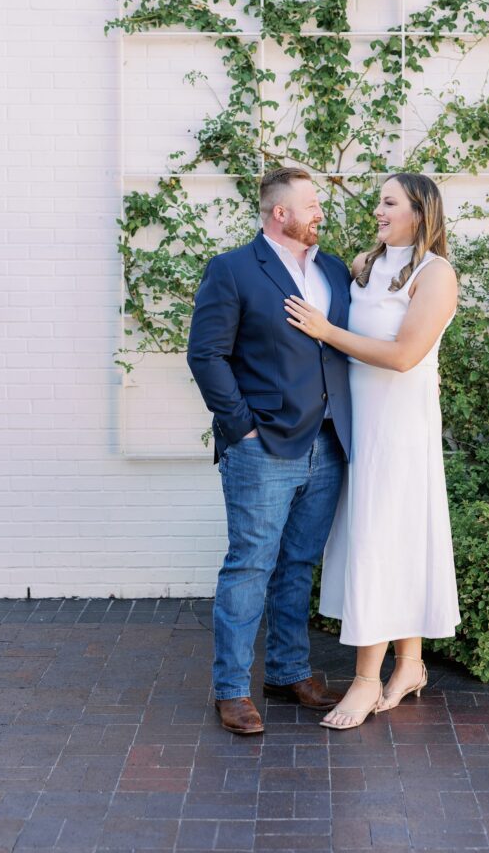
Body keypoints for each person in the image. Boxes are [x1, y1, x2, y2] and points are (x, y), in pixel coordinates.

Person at [284, 172, 461, 730]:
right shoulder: (364, 265)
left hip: (401, 427)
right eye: (379, 202)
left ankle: (365, 681)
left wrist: (324, 331)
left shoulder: (437, 274)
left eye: (389, 202)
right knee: (389, 538)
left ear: (419, 212)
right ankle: (408, 665)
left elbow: (406, 355)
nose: (378, 211)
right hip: (359, 423)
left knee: (380, 540)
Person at [186, 167, 353, 735]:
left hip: (328, 442)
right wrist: (242, 428)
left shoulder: (333, 270)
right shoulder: (233, 269)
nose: (320, 213)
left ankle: (288, 672)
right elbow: (206, 354)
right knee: (250, 565)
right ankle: (232, 689)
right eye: (311, 204)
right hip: (263, 447)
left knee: (298, 562)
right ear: (280, 213)